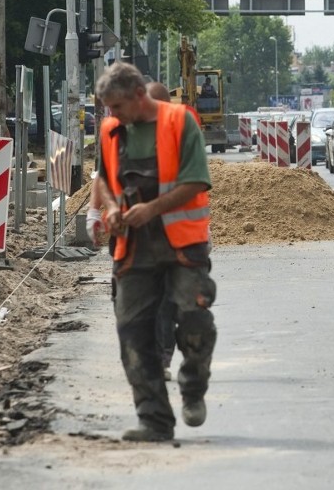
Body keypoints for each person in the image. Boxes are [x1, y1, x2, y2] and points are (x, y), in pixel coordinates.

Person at [92, 63, 217, 442]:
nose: (112, 115)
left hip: (182, 243)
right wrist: (111, 209)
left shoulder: (180, 122)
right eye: (108, 108)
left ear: (138, 96)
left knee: (193, 319)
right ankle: (154, 421)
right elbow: (102, 178)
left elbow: (197, 180)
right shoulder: (111, 130)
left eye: (117, 106)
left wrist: (152, 209)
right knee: (133, 333)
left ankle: (193, 388)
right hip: (133, 248)